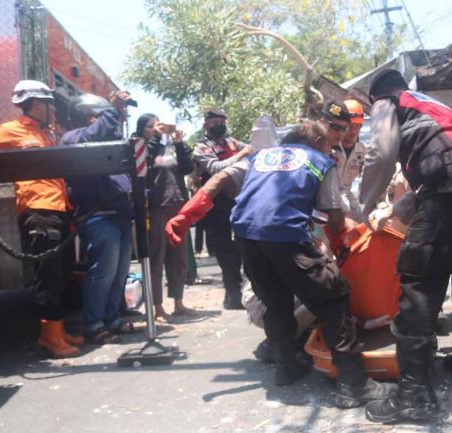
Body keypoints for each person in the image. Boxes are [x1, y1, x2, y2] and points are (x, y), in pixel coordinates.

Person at [169, 118, 396, 407]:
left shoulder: (261, 156)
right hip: (286, 235)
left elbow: (220, 178)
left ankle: (287, 365)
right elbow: (334, 215)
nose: (331, 149)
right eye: (328, 143)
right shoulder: (318, 160)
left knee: (276, 302)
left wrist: (186, 215)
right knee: (333, 299)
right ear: (317, 142)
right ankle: (354, 384)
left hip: (247, 236)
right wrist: (342, 245)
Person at [358, 69, 452, 423]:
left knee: (420, 279)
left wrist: (363, 205)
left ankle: (413, 396)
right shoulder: (429, 103)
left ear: (373, 96)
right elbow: (431, 177)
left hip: (451, 182)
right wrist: (396, 210)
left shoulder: (386, 102)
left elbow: (379, 154)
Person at [0, 80, 82, 358]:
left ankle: (57, 332)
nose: (53, 109)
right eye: (50, 104)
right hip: (37, 211)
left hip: (57, 208)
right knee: (47, 275)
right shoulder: (11, 130)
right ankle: (50, 338)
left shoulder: (46, 133)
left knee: (59, 274)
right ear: (37, 104)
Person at [61, 92, 136, 345]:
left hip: (120, 216)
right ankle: (94, 324)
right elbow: (95, 136)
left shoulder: (109, 139)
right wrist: (112, 111)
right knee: (102, 272)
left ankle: (112, 318)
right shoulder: (73, 138)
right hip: (97, 215)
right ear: (85, 116)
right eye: (99, 116)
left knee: (120, 272)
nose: (104, 121)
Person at [133, 114, 196, 318]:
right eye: (152, 127)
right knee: (157, 258)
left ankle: (178, 302)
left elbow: (188, 167)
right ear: (143, 130)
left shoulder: (171, 148)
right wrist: (156, 139)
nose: (158, 129)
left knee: (179, 258)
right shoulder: (143, 147)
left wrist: (179, 143)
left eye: (159, 126)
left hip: (178, 207)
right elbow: (143, 166)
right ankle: (157, 307)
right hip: (156, 208)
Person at [193, 108, 252, 309]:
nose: (219, 124)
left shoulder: (233, 143)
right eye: (214, 121)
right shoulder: (201, 147)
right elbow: (216, 168)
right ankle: (232, 295)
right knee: (226, 252)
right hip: (218, 206)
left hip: (241, 203)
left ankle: (248, 293)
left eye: (221, 121)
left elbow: (254, 150)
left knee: (246, 249)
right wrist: (242, 155)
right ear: (206, 124)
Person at [333, 99, 367, 221]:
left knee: (363, 219)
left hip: (347, 194)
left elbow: (372, 181)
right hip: (330, 195)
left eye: (357, 126)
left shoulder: (363, 152)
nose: (353, 131)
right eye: (350, 127)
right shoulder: (331, 148)